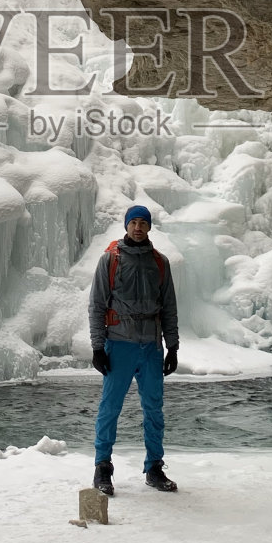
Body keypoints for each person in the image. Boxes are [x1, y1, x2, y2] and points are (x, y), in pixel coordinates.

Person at [88, 204, 179, 495]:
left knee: (154, 408)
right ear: (126, 226)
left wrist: (172, 347)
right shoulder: (110, 260)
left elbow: (169, 308)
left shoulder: (160, 263)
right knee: (110, 408)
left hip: (151, 346)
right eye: (134, 222)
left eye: (143, 222)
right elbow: (97, 306)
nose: (138, 227)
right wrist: (98, 347)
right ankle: (103, 467)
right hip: (120, 344)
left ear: (150, 227)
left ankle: (154, 467)